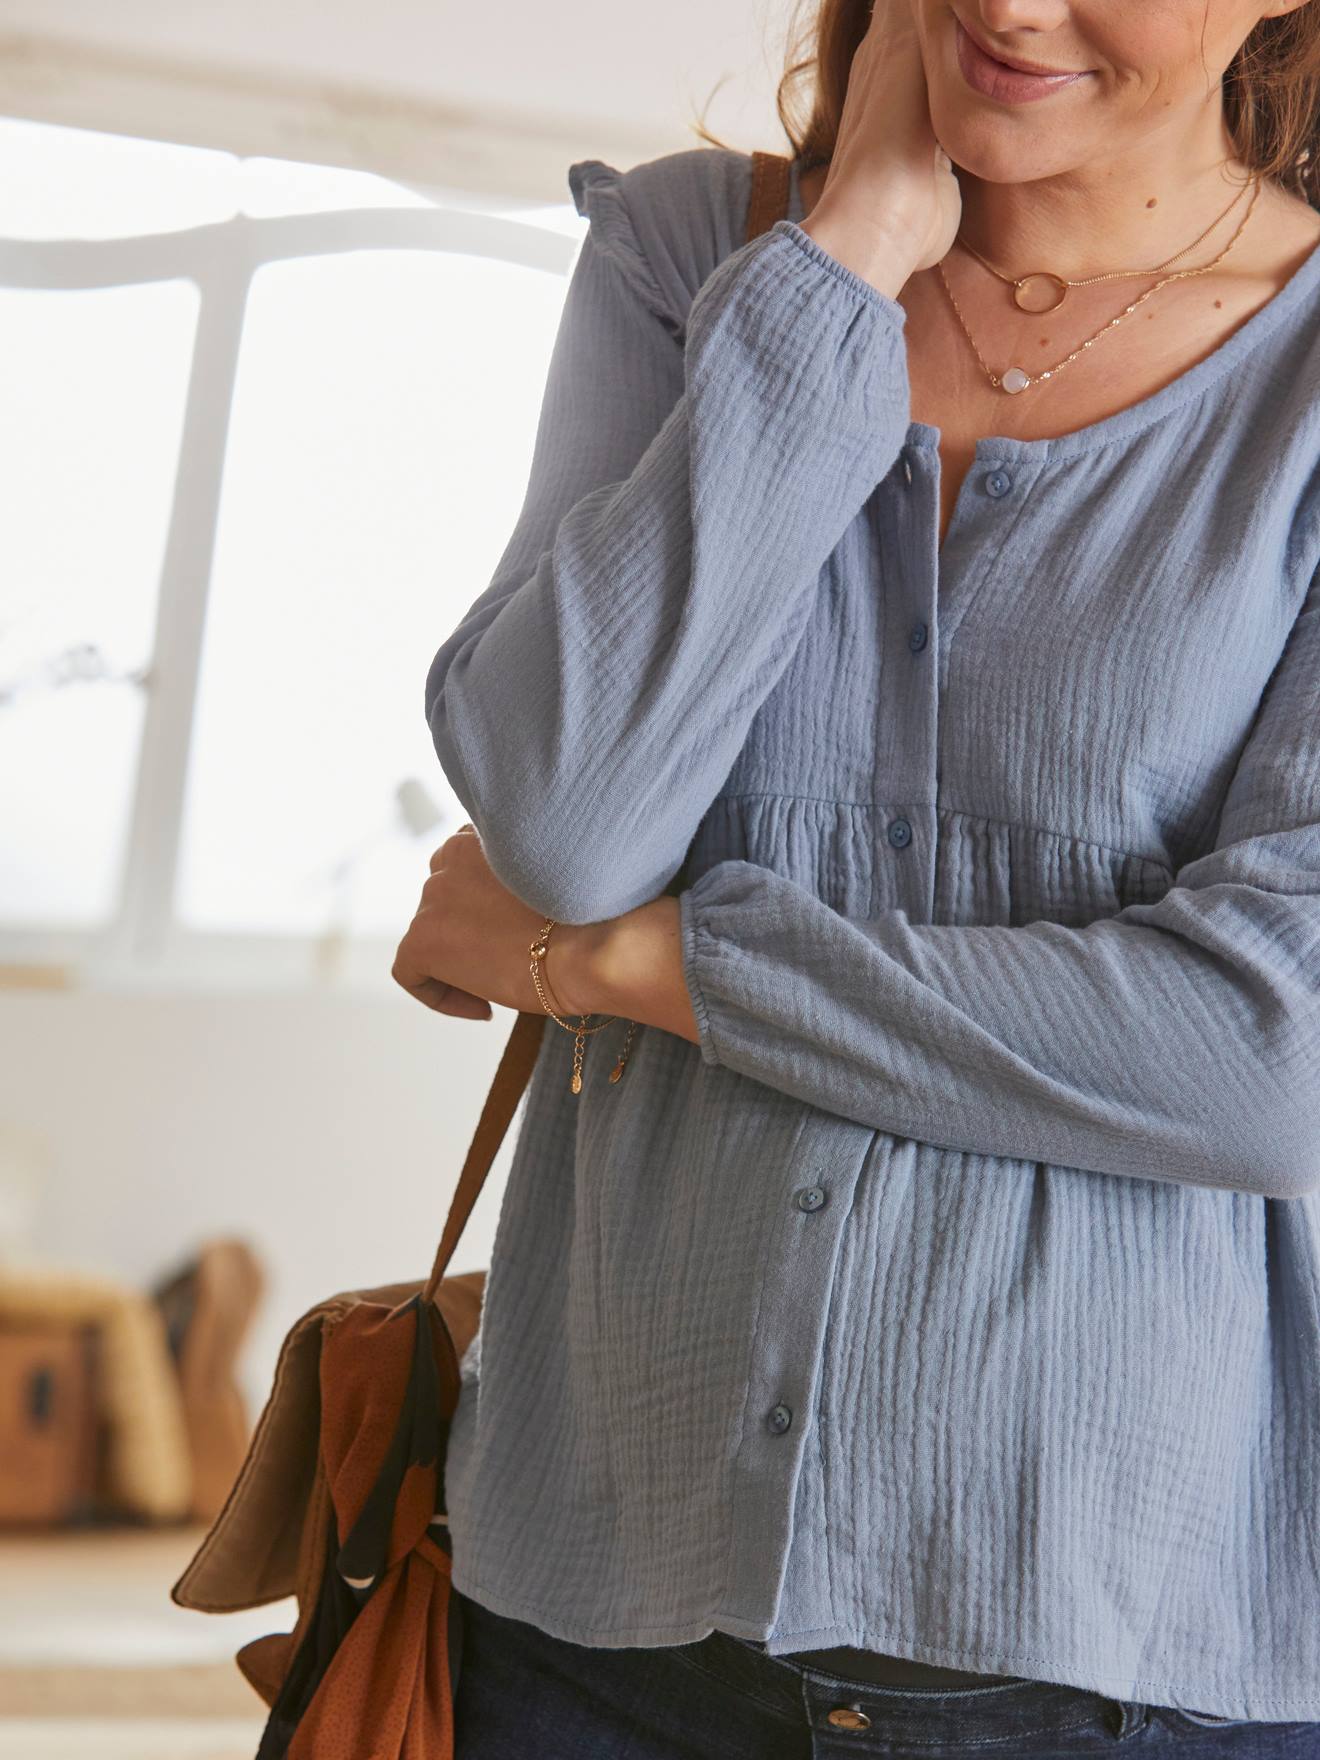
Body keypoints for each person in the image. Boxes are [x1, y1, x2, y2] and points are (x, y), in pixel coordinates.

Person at [392, 0, 1320, 1751]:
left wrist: (640, 965)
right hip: (604, 1616)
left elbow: (1274, 1055)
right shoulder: (698, 258)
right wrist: (853, 253)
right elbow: (571, 818)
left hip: (1125, 1652)